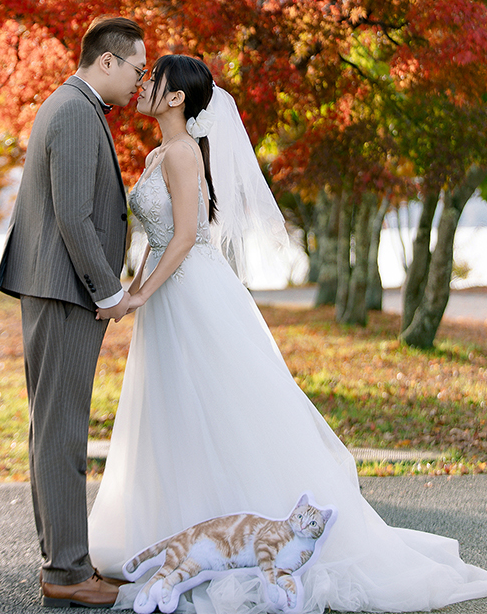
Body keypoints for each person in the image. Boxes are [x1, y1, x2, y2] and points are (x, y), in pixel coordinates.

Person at [86, 55, 487, 613]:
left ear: (177, 97)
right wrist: (135, 288)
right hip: (169, 295)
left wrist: (138, 296)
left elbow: (183, 240)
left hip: (191, 291)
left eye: (154, 81)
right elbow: (157, 242)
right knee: (176, 410)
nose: (144, 86)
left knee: (220, 409)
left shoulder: (180, 155)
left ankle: (238, 536)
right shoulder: (160, 153)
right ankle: (181, 529)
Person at [0, 17, 150, 609]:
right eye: (136, 68)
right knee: (62, 432)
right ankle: (64, 570)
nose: (140, 82)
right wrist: (108, 292)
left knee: (53, 428)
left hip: (56, 290)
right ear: (106, 62)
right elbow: (75, 216)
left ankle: (64, 560)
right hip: (66, 293)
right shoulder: (77, 112)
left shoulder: (71, 107)